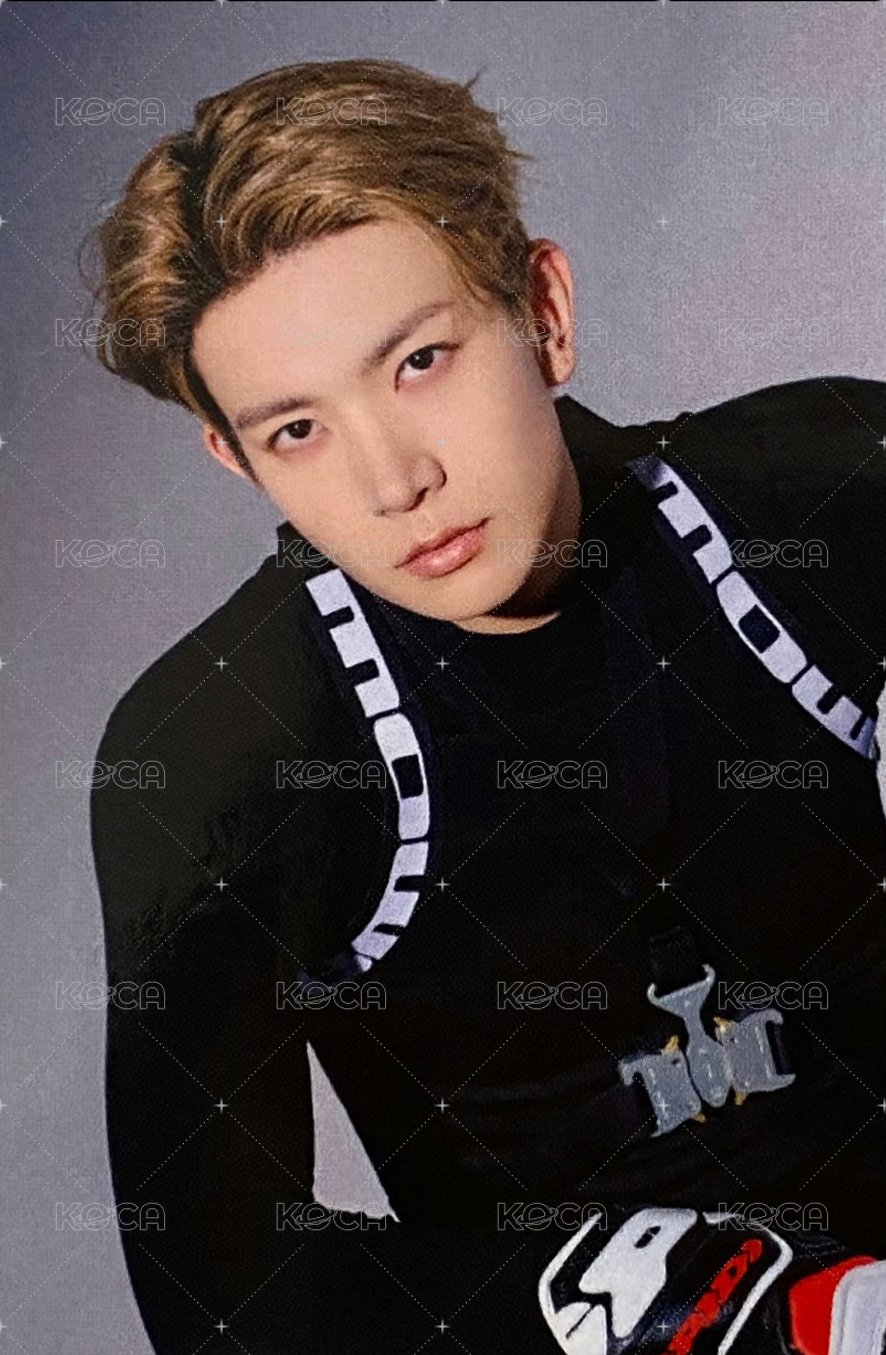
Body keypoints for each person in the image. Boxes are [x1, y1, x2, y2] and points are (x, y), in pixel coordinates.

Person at [86, 58, 886, 1354]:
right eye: (297, 430)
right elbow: (221, 1295)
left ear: (543, 312)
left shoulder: (833, 491)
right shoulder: (224, 754)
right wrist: (739, 1316)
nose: (392, 479)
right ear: (235, 459)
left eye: (419, 361)